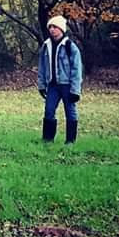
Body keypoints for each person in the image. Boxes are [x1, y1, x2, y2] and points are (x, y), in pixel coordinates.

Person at [37, 15, 84, 144]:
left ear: (61, 29)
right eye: (50, 27)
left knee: (70, 112)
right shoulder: (46, 46)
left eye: (55, 27)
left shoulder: (70, 46)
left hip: (67, 85)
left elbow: (77, 69)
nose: (52, 29)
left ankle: (70, 141)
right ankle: (47, 139)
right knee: (49, 111)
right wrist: (41, 85)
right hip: (52, 85)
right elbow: (42, 66)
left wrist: (75, 90)